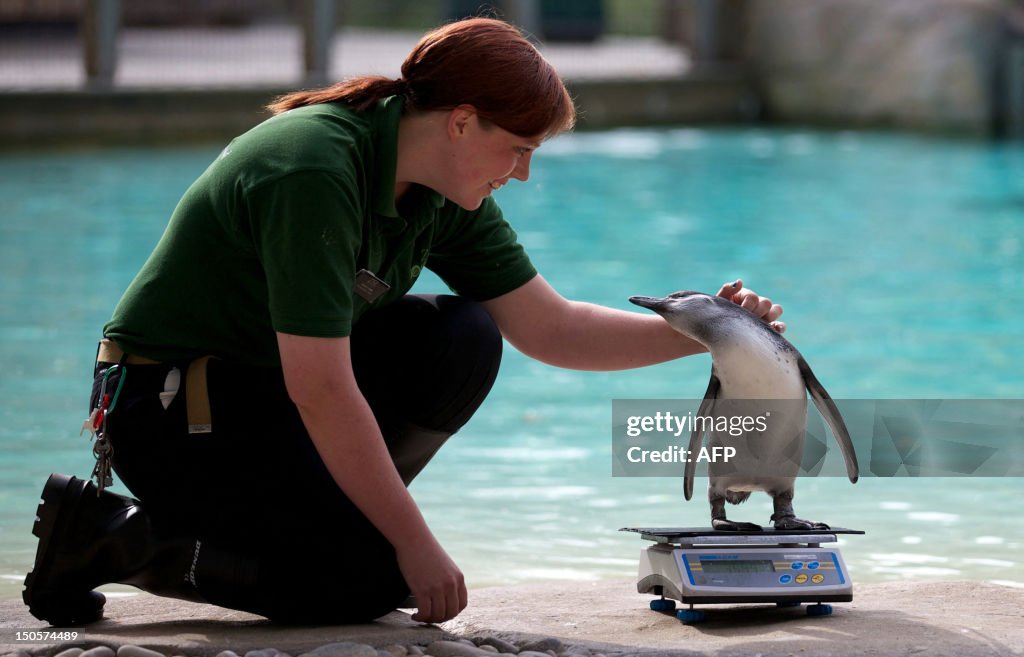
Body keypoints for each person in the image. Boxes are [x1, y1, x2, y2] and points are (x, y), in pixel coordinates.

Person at [23, 17, 784, 627]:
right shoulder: (314, 167)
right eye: (518, 149)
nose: (523, 172)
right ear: (461, 122)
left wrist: (710, 330)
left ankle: (336, 529)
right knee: (371, 579)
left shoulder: (444, 189)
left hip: (261, 404)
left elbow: (552, 328)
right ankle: (112, 536)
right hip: (170, 415)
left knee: (463, 334)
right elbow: (320, 386)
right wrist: (414, 542)